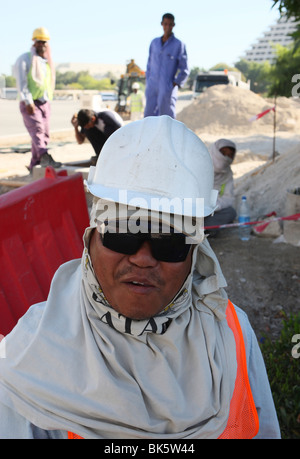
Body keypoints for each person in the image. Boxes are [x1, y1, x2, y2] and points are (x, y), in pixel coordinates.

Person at [0, 116, 280, 439]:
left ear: (195, 254)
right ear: (91, 237)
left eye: (169, 242)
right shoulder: (31, 358)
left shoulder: (232, 334)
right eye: (122, 234)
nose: (143, 259)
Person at [13, 27, 61, 172]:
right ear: (34, 42)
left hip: (44, 102)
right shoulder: (25, 59)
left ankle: (34, 165)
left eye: (44, 42)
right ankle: (45, 157)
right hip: (31, 103)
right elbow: (22, 82)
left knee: (43, 134)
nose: (41, 45)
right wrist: (27, 100)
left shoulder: (46, 62)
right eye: (38, 42)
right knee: (37, 130)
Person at [144, 13, 189, 119]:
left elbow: (185, 69)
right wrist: (149, 80)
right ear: (161, 24)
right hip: (152, 85)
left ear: (173, 25)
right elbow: (149, 64)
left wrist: (174, 83)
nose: (167, 27)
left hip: (167, 87)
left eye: (170, 24)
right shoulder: (154, 43)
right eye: (165, 24)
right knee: (148, 117)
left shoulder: (179, 45)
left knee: (167, 119)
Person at [204, 139, 237, 234]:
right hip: (193, 208)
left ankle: (203, 229)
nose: (226, 158)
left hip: (213, 210)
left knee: (230, 213)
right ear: (215, 152)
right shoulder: (202, 164)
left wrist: (214, 205)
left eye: (230, 155)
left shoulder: (227, 173)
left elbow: (228, 198)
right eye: (223, 153)